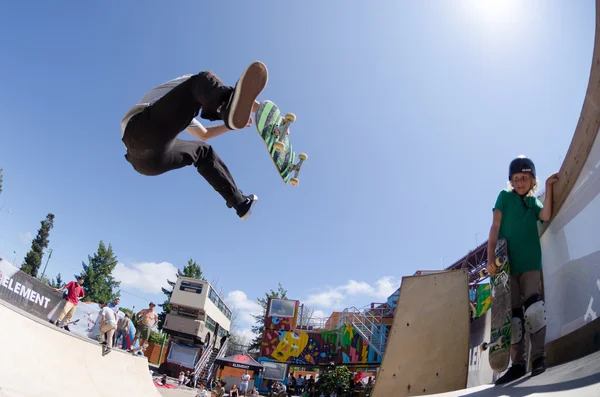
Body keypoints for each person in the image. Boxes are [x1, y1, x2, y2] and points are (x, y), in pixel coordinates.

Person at [120, 61, 268, 220]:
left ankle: (240, 202)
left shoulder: (180, 114)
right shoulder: (190, 85)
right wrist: (262, 112)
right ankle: (227, 109)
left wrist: (232, 124)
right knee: (204, 79)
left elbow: (204, 134)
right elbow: (236, 95)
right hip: (139, 130)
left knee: (204, 152)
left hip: (146, 164)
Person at [486, 155, 559, 384]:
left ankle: (538, 358)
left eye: (525, 178)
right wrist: (490, 259)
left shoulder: (532, 202)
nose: (520, 182)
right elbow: (495, 226)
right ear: (511, 180)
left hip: (530, 264)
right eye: (516, 178)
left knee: (534, 309)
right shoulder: (504, 197)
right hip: (507, 268)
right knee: (514, 319)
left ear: (532, 180)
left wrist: (548, 187)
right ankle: (517, 365)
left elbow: (545, 216)